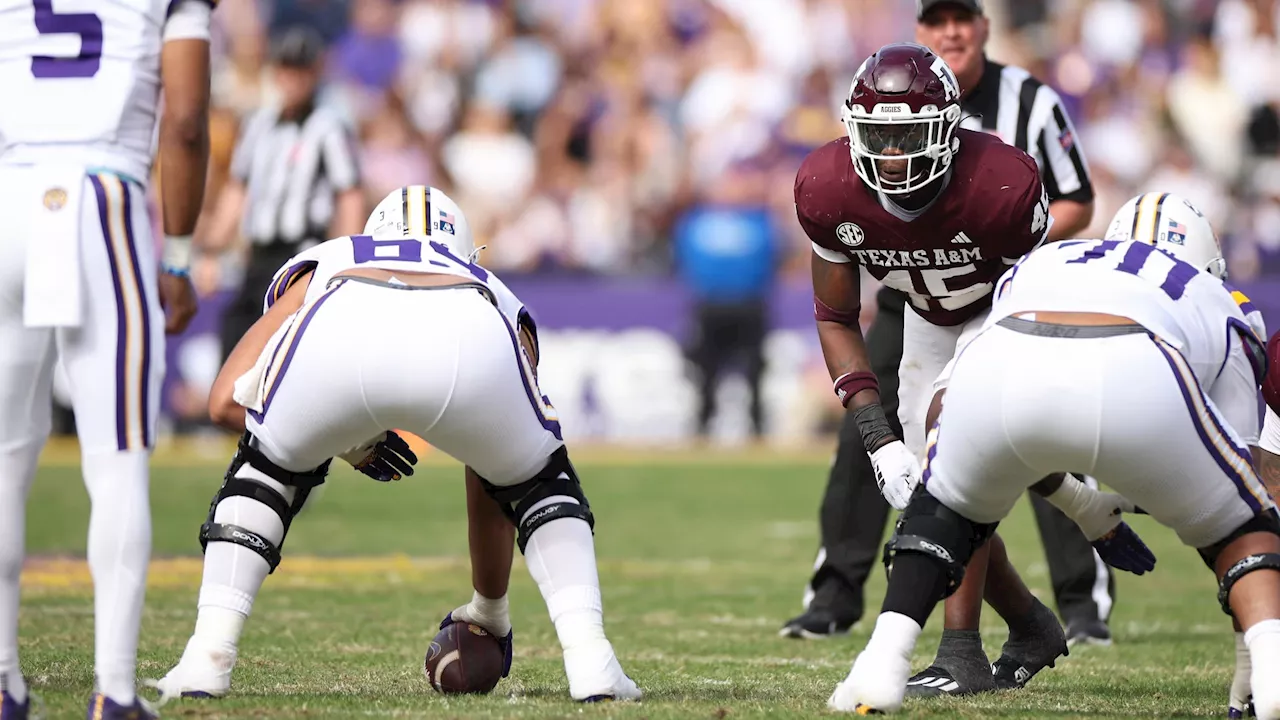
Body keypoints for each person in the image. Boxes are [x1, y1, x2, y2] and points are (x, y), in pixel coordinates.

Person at [153, 186, 642, 704]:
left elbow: (225, 402)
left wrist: (343, 442)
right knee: (541, 483)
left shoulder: (333, 257)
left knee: (267, 466)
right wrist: (489, 612)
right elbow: (494, 471)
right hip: (469, 326)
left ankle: (206, 656)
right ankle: (592, 660)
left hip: (343, 316)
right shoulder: (489, 283)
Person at [828, 192, 1280, 717]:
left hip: (1005, 369)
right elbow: (1251, 468)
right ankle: (1266, 672)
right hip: (1140, 370)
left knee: (942, 512)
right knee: (1241, 527)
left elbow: (948, 409)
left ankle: (880, 666)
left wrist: (982, 490)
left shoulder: (1046, 259)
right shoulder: (1213, 295)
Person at [785, 0, 1111, 658]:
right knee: (928, 481)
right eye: (878, 137)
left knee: (954, 454)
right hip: (918, 312)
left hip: (1003, 304)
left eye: (909, 136)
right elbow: (835, 315)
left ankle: (963, 646)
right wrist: (878, 439)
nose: (894, 155)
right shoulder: (827, 185)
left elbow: (1040, 271)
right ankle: (1027, 623)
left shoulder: (1001, 182)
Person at [0, 0, 210, 715]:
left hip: (8, 197)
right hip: (100, 194)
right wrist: (178, 256)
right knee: (117, 458)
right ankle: (114, 691)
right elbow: (184, 118)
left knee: (2, 459)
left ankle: (2, 679)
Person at [199, 25, 366, 365]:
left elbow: (349, 194)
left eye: (301, 70)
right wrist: (213, 249)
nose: (293, 79)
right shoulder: (258, 125)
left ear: (314, 74)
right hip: (257, 256)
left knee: (289, 354)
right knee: (235, 344)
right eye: (287, 69)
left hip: (301, 255)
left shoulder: (328, 127)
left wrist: (348, 257)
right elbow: (237, 188)